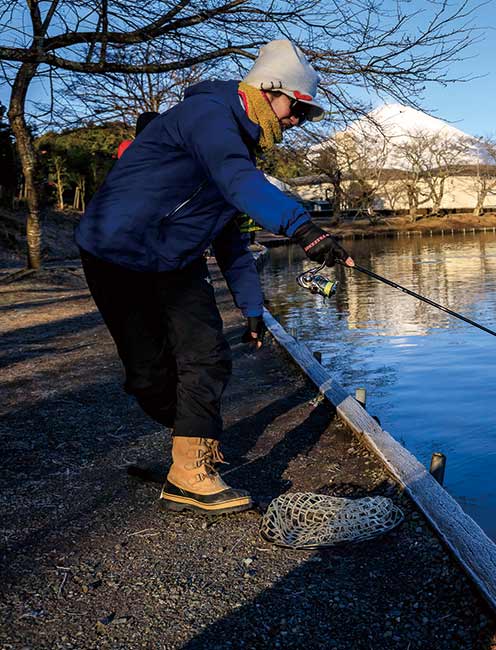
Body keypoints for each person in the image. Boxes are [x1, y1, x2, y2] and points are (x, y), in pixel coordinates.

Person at [75, 40, 351, 515]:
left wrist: (252, 309)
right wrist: (302, 228)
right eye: (299, 108)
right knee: (148, 376)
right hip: (116, 254)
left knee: (207, 354)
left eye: (306, 116)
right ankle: (188, 434)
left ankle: (191, 469)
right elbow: (238, 182)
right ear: (270, 91)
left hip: (176, 261)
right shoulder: (208, 116)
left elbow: (230, 243)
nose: (298, 121)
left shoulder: (241, 148)